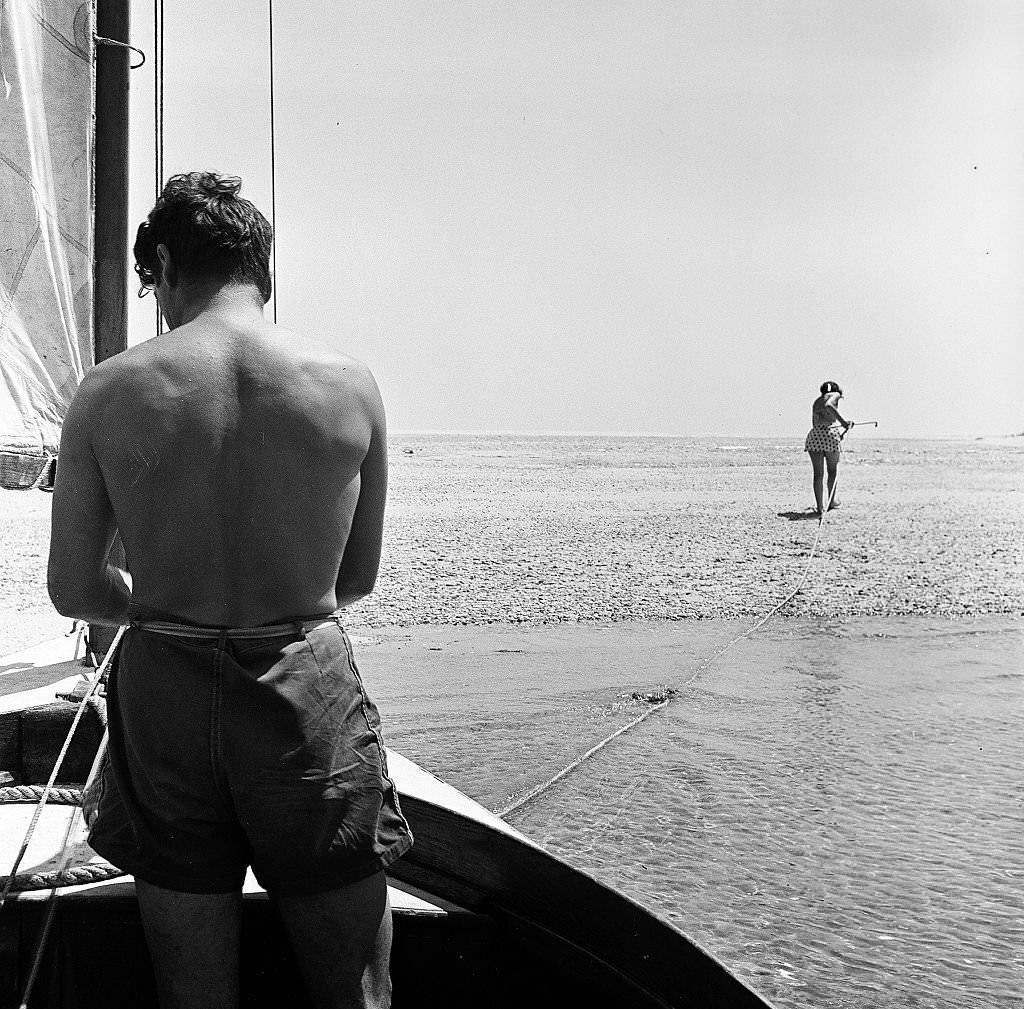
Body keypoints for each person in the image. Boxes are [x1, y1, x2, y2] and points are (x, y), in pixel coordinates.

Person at [47, 172, 412, 1009]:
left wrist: (163, 598)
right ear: (262, 263)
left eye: (154, 284)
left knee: (194, 995)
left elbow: (74, 586)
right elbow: (354, 578)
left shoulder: (109, 390)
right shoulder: (349, 382)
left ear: (169, 262)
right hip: (303, 688)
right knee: (356, 991)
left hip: (167, 691)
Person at [804, 380, 853, 515]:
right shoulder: (835, 394)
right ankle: (831, 502)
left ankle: (820, 507)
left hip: (815, 436)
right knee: (832, 471)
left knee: (818, 474)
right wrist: (844, 423)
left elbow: (816, 423)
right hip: (830, 435)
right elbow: (829, 405)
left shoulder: (816, 401)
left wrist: (841, 432)